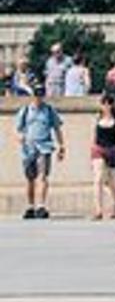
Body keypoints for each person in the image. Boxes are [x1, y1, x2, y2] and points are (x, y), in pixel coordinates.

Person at [14, 79, 63, 219]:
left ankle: (41, 205)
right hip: (29, 148)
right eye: (36, 94)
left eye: (41, 94)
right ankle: (30, 206)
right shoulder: (25, 110)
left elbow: (57, 128)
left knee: (42, 176)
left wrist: (61, 145)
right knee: (30, 179)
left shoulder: (49, 110)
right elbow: (17, 129)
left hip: (44, 146)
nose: (39, 97)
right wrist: (20, 137)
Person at [90, 93, 115, 219]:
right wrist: (91, 150)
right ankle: (98, 209)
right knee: (98, 178)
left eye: (109, 103)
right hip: (99, 149)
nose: (106, 106)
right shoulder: (97, 119)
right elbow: (93, 136)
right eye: (104, 103)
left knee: (113, 182)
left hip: (113, 150)